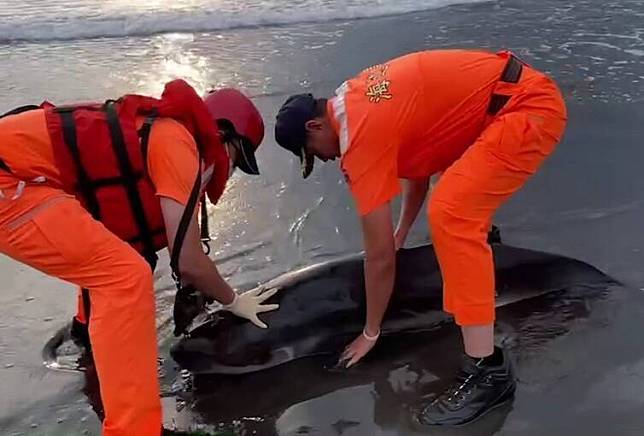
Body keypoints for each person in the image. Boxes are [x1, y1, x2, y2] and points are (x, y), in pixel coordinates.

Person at [274, 49, 567, 426]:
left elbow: (378, 256)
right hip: (500, 105)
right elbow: (418, 161)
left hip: (526, 110)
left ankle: (487, 368)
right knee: (451, 204)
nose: (324, 160)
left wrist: (370, 332)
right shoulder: (357, 98)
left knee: (451, 214)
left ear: (315, 127)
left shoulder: (358, 138)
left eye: (312, 152)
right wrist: (401, 233)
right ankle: (482, 250)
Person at [0, 79, 279, 435]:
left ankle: (86, 330)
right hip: (12, 182)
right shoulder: (178, 144)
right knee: (123, 276)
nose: (231, 168)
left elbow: (124, 225)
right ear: (223, 134)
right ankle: (135, 429)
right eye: (238, 157)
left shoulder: (164, 135)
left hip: (25, 176)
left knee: (123, 255)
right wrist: (233, 300)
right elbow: (189, 261)